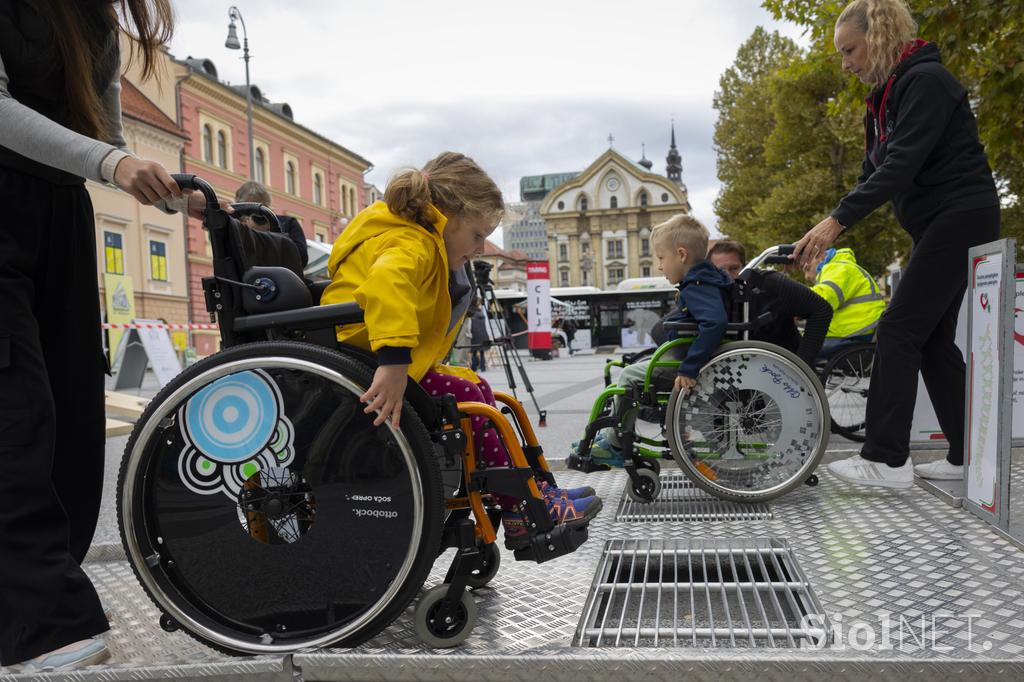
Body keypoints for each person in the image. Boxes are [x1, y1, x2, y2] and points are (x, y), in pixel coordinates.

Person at [0, 0, 205, 671]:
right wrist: (112, 164)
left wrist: (170, 192)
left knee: (72, 423)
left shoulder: (92, 19)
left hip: (59, 207)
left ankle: (40, 594)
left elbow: (104, 134)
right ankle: (44, 623)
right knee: (17, 414)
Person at [320, 151, 601, 543]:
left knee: (481, 391)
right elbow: (387, 284)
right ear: (447, 216)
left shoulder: (418, 238)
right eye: (477, 235)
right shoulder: (411, 241)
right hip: (364, 363)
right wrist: (395, 361)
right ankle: (520, 507)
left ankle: (535, 491)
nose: (482, 248)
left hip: (365, 355)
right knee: (469, 397)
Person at [792, 0, 1001, 487]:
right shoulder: (886, 98)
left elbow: (901, 165)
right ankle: (968, 455)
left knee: (897, 330)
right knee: (929, 340)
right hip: (941, 223)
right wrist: (820, 232)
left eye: (850, 50)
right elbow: (873, 172)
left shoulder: (926, 82)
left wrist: (836, 223)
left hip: (961, 214)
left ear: (880, 37)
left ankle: (886, 459)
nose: (845, 63)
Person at [581, 214, 731, 466]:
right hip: (689, 357)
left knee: (628, 376)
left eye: (661, 258)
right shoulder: (707, 280)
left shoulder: (697, 285)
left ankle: (615, 443)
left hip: (690, 363)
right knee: (633, 370)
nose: (660, 266)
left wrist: (689, 367)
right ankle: (613, 437)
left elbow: (715, 323)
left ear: (681, 255)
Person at [708, 242, 833, 367]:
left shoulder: (771, 284)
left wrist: (802, 365)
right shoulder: (706, 297)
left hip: (784, 373)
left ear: (745, 267)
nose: (728, 277)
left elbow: (822, 309)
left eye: (734, 268)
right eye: (720, 271)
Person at [802, 247, 884, 359]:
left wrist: (795, 298)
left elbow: (823, 298)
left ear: (819, 256)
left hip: (853, 335)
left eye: (807, 269)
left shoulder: (839, 268)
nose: (806, 276)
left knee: (798, 347)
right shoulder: (841, 267)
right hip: (856, 332)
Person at [234, 180, 308, 268]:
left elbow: (302, 259)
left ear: (268, 205)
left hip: (281, 278)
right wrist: (246, 232)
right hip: (243, 279)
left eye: (262, 208)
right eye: (250, 209)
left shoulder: (287, 223)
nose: (258, 214)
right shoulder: (235, 225)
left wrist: (273, 234)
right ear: (240, 209)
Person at [469, 301, 489, 372]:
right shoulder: (481, 314)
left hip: (475, 335)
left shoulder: (472, 314)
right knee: (482, 353)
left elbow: (471, 326)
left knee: (474, 353)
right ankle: (483, 368)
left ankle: (474, 368)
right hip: (483, 335)